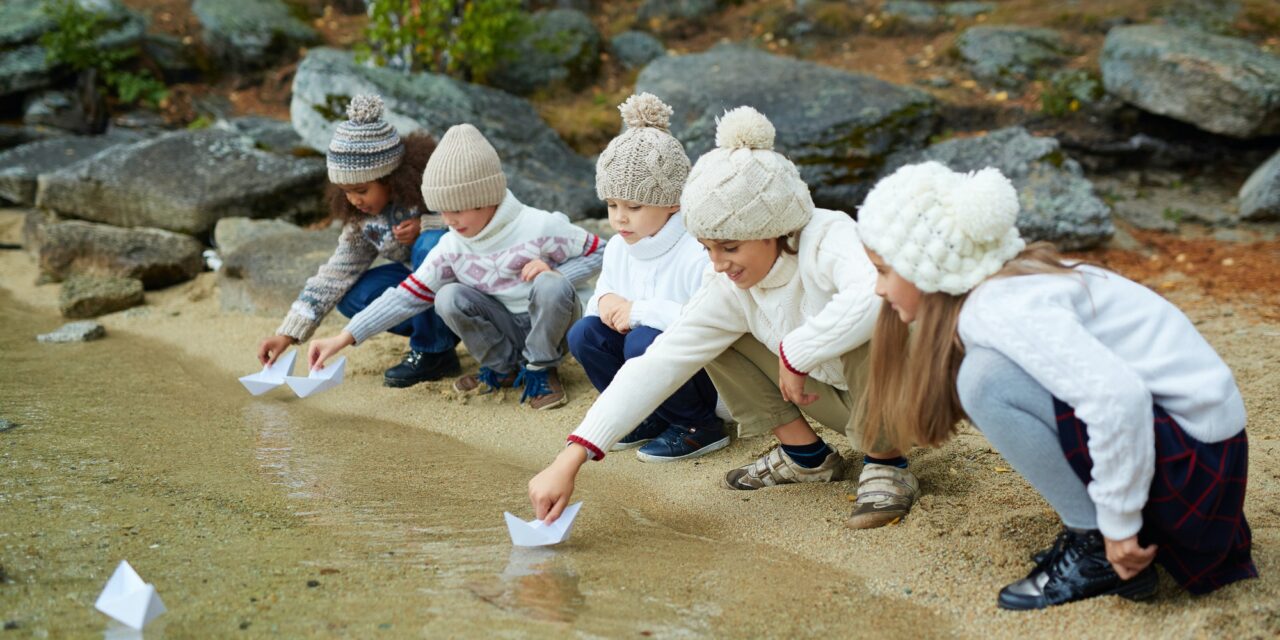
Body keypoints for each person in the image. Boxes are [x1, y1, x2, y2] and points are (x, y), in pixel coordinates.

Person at [855, 160, 1256, 610]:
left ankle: (1095, 548)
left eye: (884, 270)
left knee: (986, 380)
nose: (878, 289)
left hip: (1196, 467)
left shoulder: (1001, 308)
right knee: (991, 373)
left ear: (927, 265)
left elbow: (1118, 400)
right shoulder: (1012, 284)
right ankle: (1100, 530)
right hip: (1202, 450)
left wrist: (1117, 525)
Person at [529, 106, 917, 529]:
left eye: (729, 247)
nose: (717, 264)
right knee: (712, 335)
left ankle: (887, 464)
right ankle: (806, 458)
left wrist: (797, 353)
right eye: (708, 248)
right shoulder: (730, 287)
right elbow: (659, 363)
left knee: (879, 320)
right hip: (832, 399)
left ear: (774, 228)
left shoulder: (829, 236)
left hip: (910, 401)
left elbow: (874, 297)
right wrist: (571, 457)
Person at [307, 123, 603, 410]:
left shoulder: (539, 225)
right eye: (443, 210)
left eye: (456, 210)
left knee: (550, 284)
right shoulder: (452, 245)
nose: (447, 220)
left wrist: (558, 274)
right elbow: (405, 297)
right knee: (447, 296)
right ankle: (503, 369)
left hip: (551, 327)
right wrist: (344, 337)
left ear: (486, 197)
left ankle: (541, 369)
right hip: (502, 324)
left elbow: (602, 251)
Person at [255, 94, 460, 387]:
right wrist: (286, 334)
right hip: (422, 292)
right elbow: (334, 275)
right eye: (346, 191)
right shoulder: (364, 222)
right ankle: (440, 333)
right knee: (351, 295)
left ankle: (432, 350)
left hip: (465, 287)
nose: (354, 200)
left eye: (361, 190)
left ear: (390, 178)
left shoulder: (433, 185)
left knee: (429, 244)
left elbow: (480, 218)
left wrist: (427, 225)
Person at [567, 92, 726, 462]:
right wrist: (604, 302)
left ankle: (696, 427)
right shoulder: (623, 246)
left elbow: (710, 323)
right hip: (652, 364)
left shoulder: (697, 248)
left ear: (674, 202)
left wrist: (638, 311)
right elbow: (606, 293)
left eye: (634, 207)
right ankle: (648, 414)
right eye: (612, 205)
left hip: (707, 377)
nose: (620, 218)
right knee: (584, 333)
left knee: (642, 340)